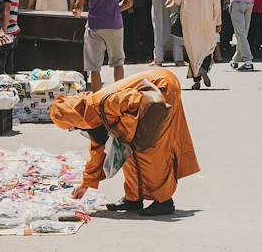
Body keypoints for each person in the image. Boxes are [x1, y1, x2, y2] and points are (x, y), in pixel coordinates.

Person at [50, 68, 199, 217]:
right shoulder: (90, 115)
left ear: (73, 118)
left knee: (152, 152)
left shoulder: (101, 104)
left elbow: (135, 101)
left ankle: (164, 201)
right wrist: (86, 183)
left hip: (162, 89)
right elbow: (99, 149)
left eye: (71, 127)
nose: (75, 129)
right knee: (127, 151)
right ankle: (133, 198)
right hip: (151, 95)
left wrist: (121, 131)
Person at [74, 0, 133, 92]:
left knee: (95, 67)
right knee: (118, 63)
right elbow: (129, 1)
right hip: (115, 25)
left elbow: (79, 6)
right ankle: (119, 96)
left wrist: (77, 13)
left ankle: (97, 101)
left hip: (95, 26)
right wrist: (115, 9)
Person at [166, 0, 221, 90]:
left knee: (192, 49)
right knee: (208, 45)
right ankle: (203, 67)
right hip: (206, 18)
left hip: (188, 19)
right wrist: (218, 21)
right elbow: (216, 2)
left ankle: (196, 80)